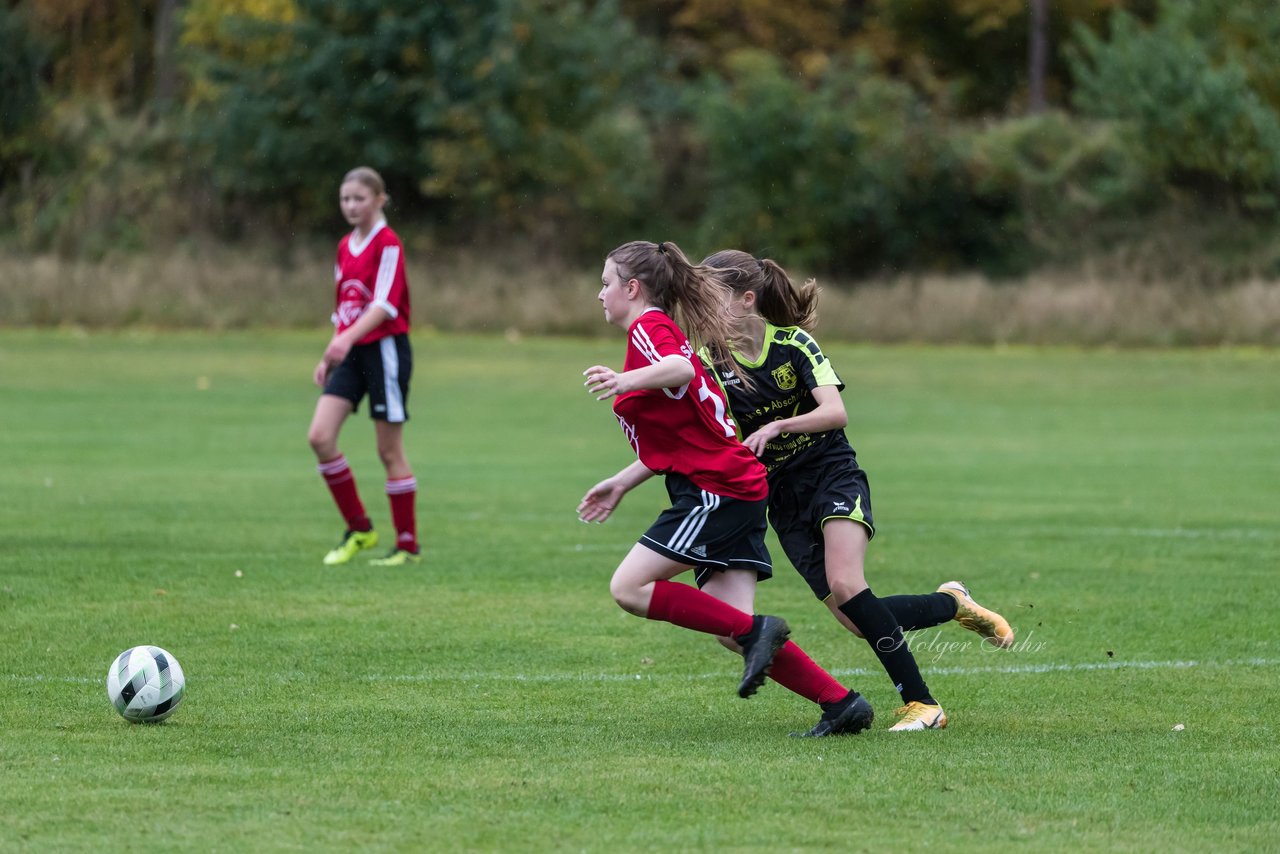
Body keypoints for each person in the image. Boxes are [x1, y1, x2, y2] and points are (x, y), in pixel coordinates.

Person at [697, 249, 1015, 732]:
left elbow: (834, 412)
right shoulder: (708, 362)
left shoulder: (794, 345)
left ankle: (923, 705)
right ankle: (952, 603)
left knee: (849, 586)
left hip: (831, 472)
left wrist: (781, 424)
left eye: (711, 299)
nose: (702, 311)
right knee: (853, 618)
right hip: (780, 497)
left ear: (746, 300)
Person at [577, 239, 873, 737]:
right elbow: (682, 435)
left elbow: (682, 368)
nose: (599, 294)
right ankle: (841, 704)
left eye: (605, 283)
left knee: (629, 587)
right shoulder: (650, 336)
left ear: (632, 288)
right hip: (731, 485)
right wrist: (621, 482)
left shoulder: (650, 327)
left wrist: (627, 381)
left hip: (715, 489)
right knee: (732, 627)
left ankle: (761, 632)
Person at [306, 166, 421, 567]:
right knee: (320, 437)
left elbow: (384, 305)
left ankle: (407, 546)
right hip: (351, 352)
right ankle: (360, 529)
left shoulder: (387, 243)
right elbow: (345, 307)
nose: (351, 205)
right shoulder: (344, 246)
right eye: (345, 199)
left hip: (385, 351)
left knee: (388, 450)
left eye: (359, 198)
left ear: (379, 200)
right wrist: (330, 353)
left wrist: (345, 339)